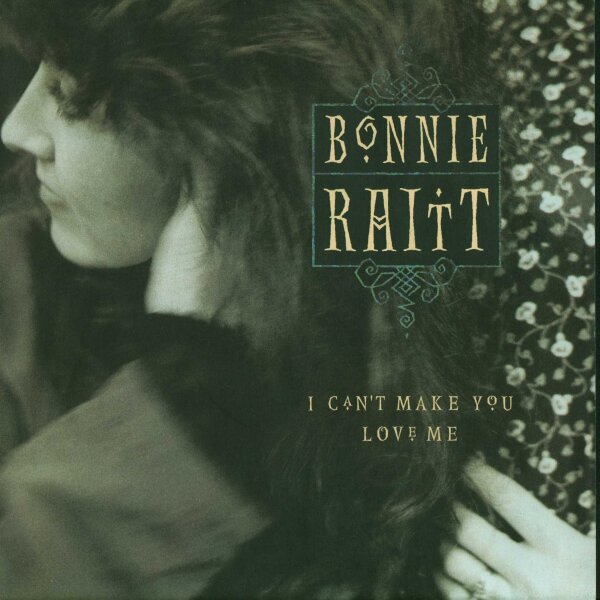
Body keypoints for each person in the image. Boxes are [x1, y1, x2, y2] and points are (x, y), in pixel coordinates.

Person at [0, 1, 594, 598]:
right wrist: (187, 401)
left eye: (69, 91)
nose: (16, 129)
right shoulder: (18, 298)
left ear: (238, 127)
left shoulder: (454, 313)